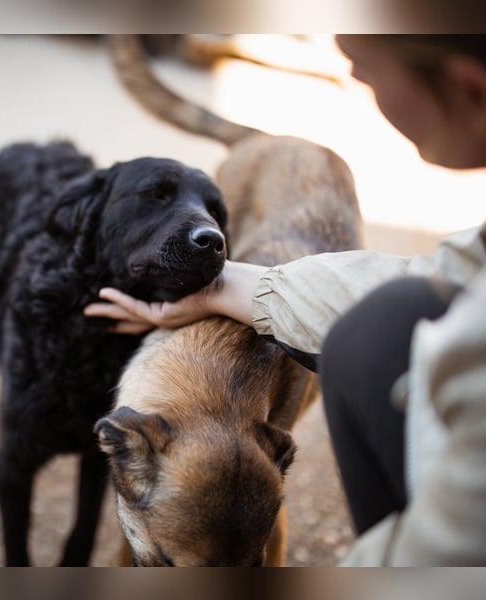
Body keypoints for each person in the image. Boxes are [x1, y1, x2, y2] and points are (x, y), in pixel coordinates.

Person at [84, 35, 486, 566]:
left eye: (362, 65)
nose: (355, 79)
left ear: (469, 87)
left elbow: (454, 546)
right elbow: (451, 272)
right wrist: (219, 284)